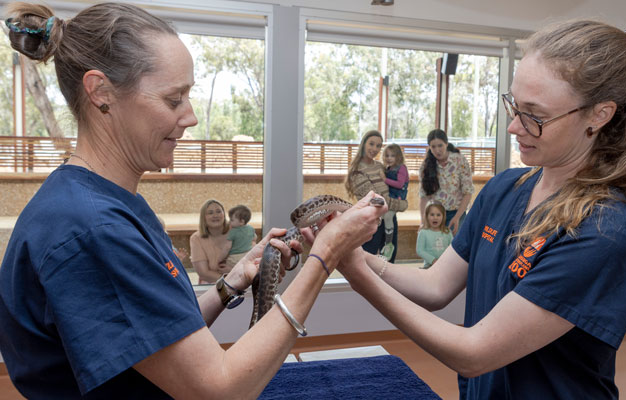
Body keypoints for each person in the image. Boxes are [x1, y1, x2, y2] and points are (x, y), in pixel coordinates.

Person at [0, 3, 386, 399]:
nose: (191, 116)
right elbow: (221, 391)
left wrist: (231, 283)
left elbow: (154, 337)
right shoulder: (92, 229)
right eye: (173, 99)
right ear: (101, 92)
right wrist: (324, 257)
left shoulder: (109, 204)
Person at [335, 20, 626, 399]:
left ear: (599, 115)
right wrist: (351, 250)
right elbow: (435, 286)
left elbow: (473, 353)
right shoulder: (506, 188)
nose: (513, 127)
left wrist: (357, 274)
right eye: (513, 106)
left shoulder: (607, 230)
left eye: (534, 115)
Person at [345, 130, 407, 261]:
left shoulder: (380, 166)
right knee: (369, 262)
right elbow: (375, 201)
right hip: (372, 221)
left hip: (389, 220)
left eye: (378, 146)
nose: (375, 149)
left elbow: (392, 188)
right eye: (371, 144)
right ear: (363, 144)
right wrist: (402, 205)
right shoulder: (357, 171)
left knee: (389, 262)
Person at [419, 129, 475, 235]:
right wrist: (423, 221)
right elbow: (424, 196)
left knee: (455, 247)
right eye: (433, 147)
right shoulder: (426, 166)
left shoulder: (459, 161)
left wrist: (457, 217)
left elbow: (467, 192)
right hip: (435, 214)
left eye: (440, 145)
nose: (437, 150)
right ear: (429, 147)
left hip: (457, 212)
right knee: (436, 249)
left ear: (446, 144)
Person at [189, 199, 233, 284]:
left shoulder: (237, 232)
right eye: (210, 213)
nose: (215, 215)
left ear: (224, 214)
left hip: (241, 282)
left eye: (218, 211)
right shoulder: (196, 238)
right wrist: (229, 279)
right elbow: (203, 273)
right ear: (203, 217)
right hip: (211, 286)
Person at [379, 143, 409, 260]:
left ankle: (389, 244)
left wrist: (384, 179)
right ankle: (385, 243)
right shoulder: (388, 168)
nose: (389, 158)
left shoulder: (401, 168)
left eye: (392, 156)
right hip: (390, 196)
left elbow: (400, 184)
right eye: (387, 156)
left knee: (388, 216)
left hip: (398, 197)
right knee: (383, 217)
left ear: (398, 157)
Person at [416, 201, 452, 269]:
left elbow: (452, 249)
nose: (435, 217)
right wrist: (433, 260)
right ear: (427, 216)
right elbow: (419, 250)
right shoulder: (423, 232)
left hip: (445, 266)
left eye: (438, 215)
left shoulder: (447, 232)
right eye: (432, 215)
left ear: (443, 216)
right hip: (429, 266)